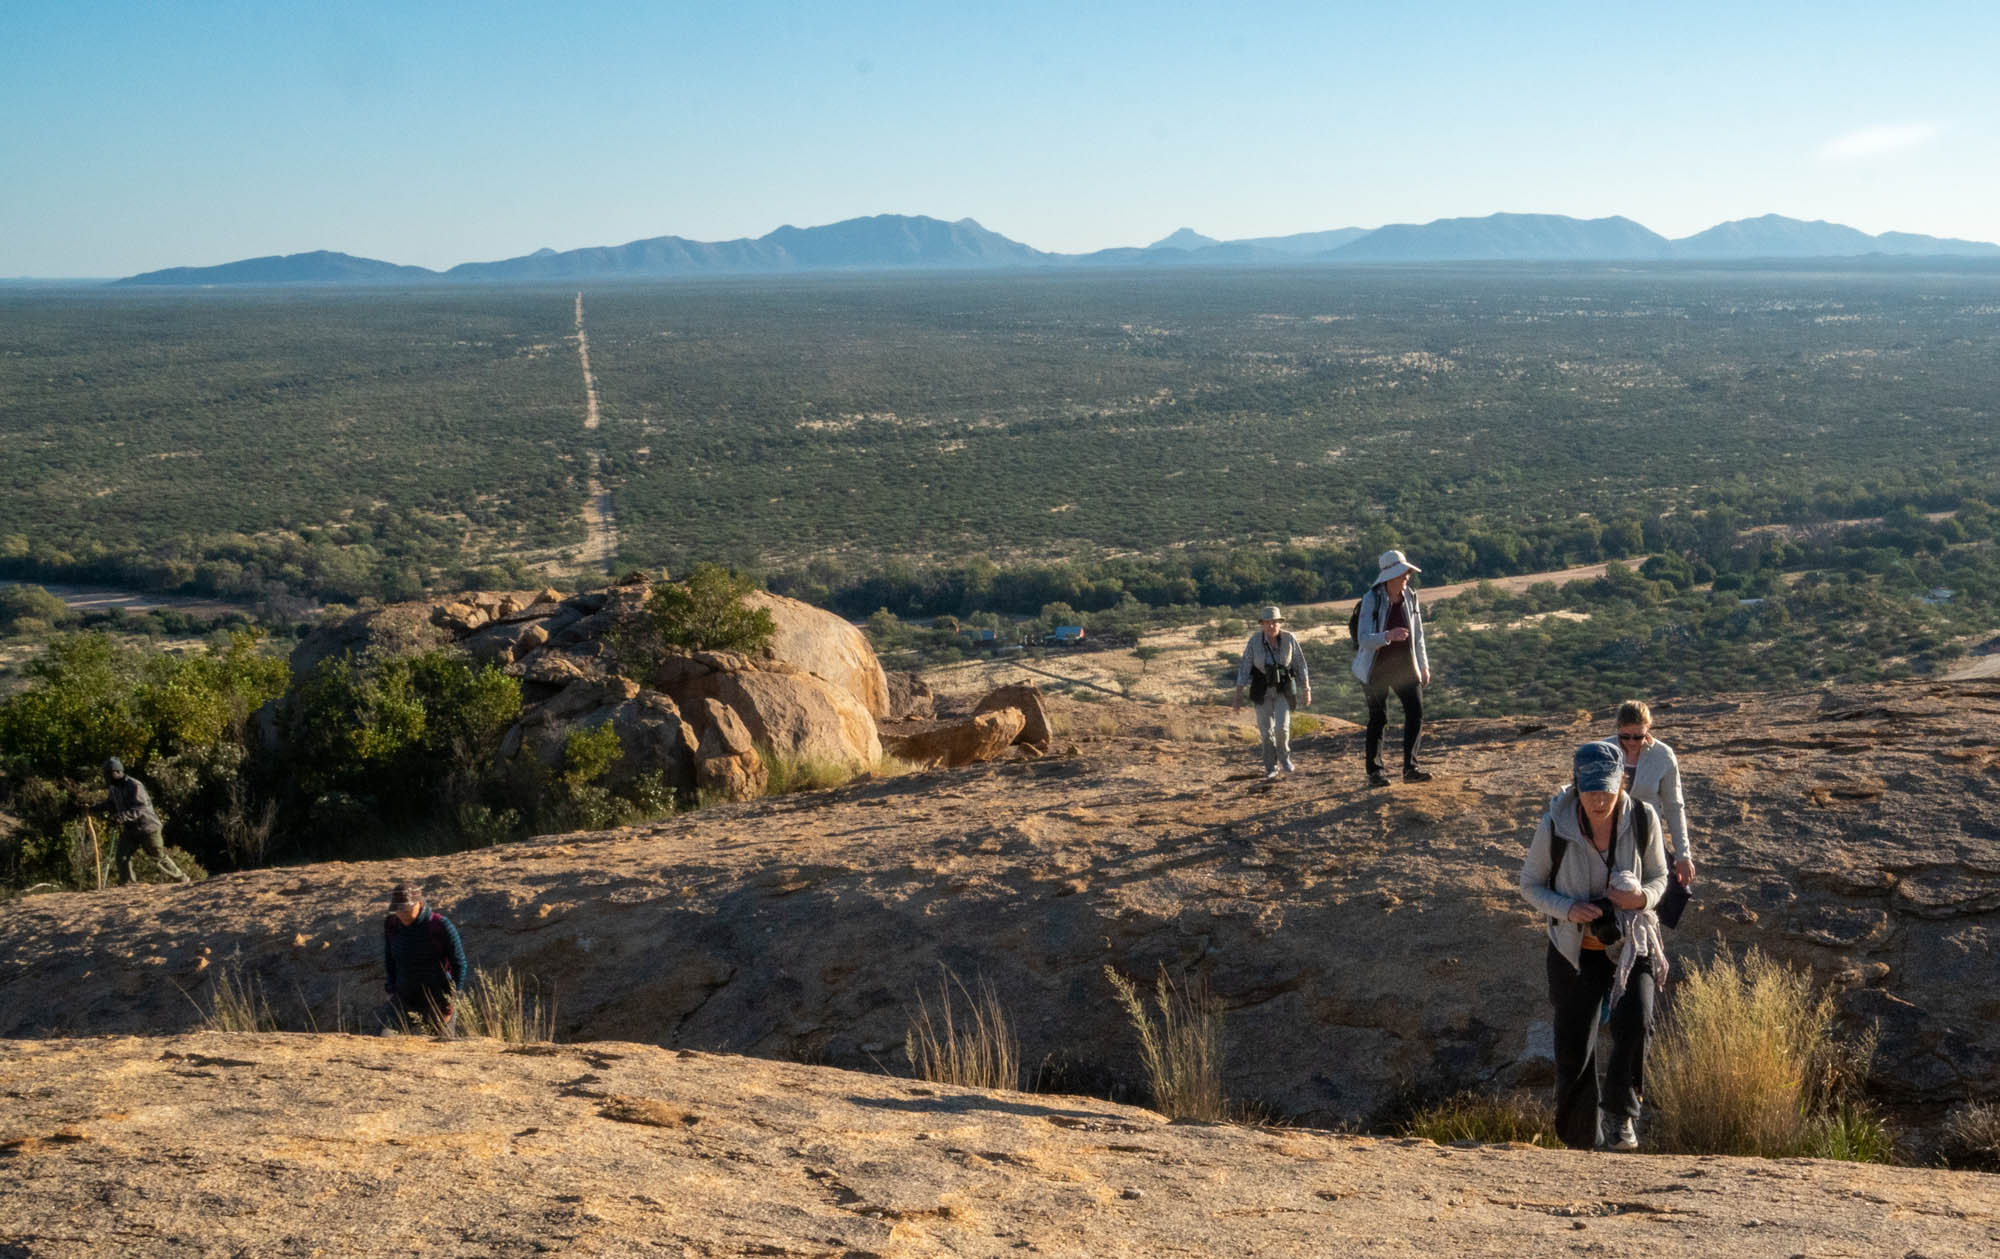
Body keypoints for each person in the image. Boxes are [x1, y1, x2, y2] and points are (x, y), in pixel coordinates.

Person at [1520, 740, 1669, 1151]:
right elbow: (1529, 885)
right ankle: (1580, 1141)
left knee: (1636, 1023)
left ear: (1622, 782)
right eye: (1590, 792)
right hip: (1573, 950)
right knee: (1574, 1049)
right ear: (1576, 786)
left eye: (1607, 790)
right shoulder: (1555, 824)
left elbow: (1660, 876)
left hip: (1629, 945)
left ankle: (1620, 1117)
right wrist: (1569, 909)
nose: (1599, 800)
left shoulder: (1643, 818)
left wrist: (1641, 900)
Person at [1350, 549, 1432, 787]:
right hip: (1377, 666)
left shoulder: (1411, 596)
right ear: (1388, 577)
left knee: (1415, 713)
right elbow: (1364, 638)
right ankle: (1374, 772)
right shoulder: (1371, 599)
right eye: (1402, 573)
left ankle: (1411, 768)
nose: (1406, 576)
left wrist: (1424, 666)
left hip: (1406, 665)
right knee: (1379, 718)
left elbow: (1418, 636)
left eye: (1406, 573)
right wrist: (1389, 635)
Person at [1615, 700, 1695, 889]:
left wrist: (1683, 855)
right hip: (1609, 836)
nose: (1632, 742)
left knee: (1658, 894)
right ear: (1618, 729)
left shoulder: (1663, 756)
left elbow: (1674, 807)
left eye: (1638, 736)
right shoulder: (1605, 750)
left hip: (1647, 836)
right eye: (1625, 736)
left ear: (1648, 728)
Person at [1233, 606, 1312, 779]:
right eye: (1267, 622)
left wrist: (1306, 689)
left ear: (1279, 623)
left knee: (1282, 729)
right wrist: (1238, 695)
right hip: (1262, 691)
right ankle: (1270, 766)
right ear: (1262, 624)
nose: (1271, 626)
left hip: (1282, 690)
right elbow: (1245, 667)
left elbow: (1300, 664)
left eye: (1274, 622)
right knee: (1266, 732)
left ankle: (1285, 759)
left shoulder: (1289, 638)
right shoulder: (1254, 641)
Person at [382, 882, 468, 1034]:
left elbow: (459, 963)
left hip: (438, 1000)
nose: (402, 914)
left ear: (420, 903)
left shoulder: (440, 925)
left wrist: (451, 1002)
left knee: (442, 1048)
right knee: (385, 1040)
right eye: (398, 910)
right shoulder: (391, 925)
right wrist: (390, 989)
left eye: (406, 909)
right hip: (404, 997)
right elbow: (390, 958)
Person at [100, 757, 191, 885]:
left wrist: (122, 817)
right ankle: (128, 884)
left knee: (157, 856)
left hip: (147, 828)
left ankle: (182, 878)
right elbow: (110, 804)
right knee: (122, 856)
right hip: (130, 829)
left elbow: (141, 808)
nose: (106, 777)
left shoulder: (134, 785)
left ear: (117, 772)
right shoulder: (114, 788)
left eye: (108, 774)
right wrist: (92, 809)